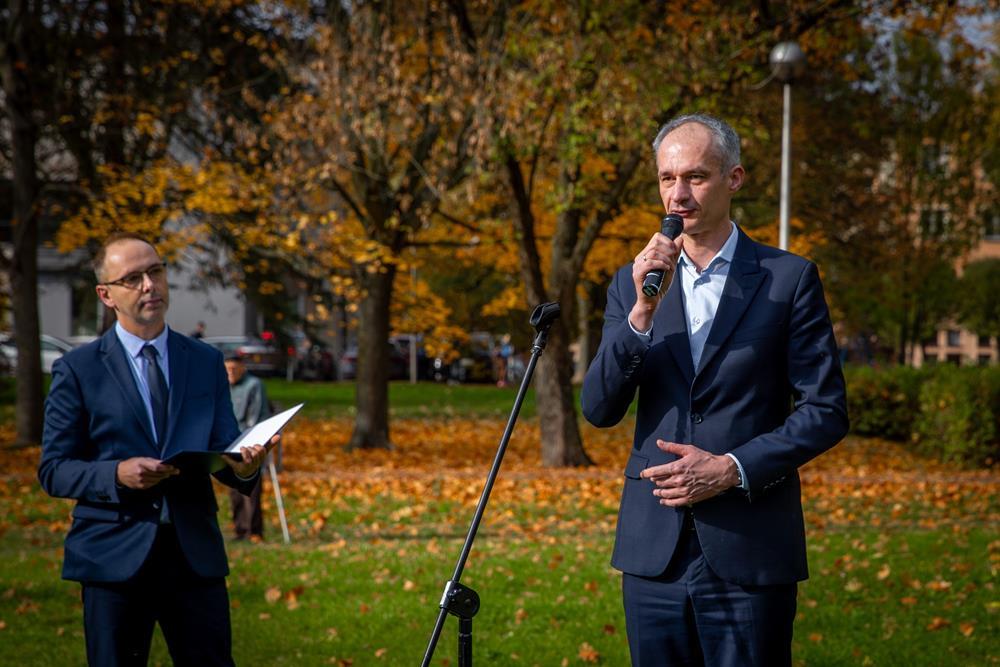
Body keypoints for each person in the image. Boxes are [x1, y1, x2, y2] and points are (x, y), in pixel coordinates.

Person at [581, 114, 848, 666]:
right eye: (667, 178)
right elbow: (599, 408)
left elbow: (825, 410)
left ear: (734, 178)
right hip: (653, 552)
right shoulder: (631, 283)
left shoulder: (788, 279)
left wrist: (731, 467)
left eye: (696, 177)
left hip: (749, 546)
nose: (677, 195)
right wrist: (640, 314)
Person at [38, 232, 274, 666]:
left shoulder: (204, 361)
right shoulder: (78, 369)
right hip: (112, 556)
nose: (149, 285)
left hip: (194, 554)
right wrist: (116, 473)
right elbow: (54, 468)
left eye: (155, 271)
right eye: (133, 278)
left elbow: (223, 448)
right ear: (106, 295)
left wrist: (244, 467)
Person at [224, 352, 271, 541]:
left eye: (234, 368)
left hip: (250, 442)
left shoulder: (254, 385)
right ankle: (240, 529)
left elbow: (256, 417)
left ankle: (254, 530)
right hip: (229, 444)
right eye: (227, 369)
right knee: (234, 489)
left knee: (251, 488)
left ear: (242, 368)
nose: (230, 372)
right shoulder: (224, 386)